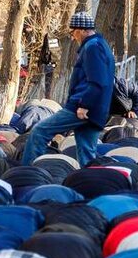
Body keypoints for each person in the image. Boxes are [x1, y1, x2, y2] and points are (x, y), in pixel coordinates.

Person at [20, 11, 115, 167]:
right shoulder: (100, 44)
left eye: (73, 32)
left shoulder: (92, 47)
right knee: (86, 154)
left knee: (39, 132)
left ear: (82, 30)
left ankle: (28, 172)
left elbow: (98, 81)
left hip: (81, 107)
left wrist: (84, 105)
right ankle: (90, 179)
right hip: (97, 109)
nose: (73, 37)